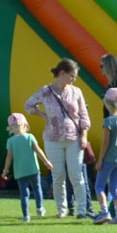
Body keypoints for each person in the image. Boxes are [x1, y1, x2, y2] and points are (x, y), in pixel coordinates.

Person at [25, 58, 91, 218]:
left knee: (76, 175)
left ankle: (82, 210)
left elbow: (84, 115)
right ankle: (61, 210)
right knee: (58, 175)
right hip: (52, 138)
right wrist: (42, 115)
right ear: (62, 73)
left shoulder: (76, 92)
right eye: (72, 76)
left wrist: (84, 135)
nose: (74, 80)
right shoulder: (45, 91)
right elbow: (29, 105)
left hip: (74, 138)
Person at [1, 113, 52, 222]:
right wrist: (46, 161)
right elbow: (38, 151)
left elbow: (8, 158)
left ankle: (26, 216)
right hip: (33, 169)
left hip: (20, 171)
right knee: (37, 188)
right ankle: (39, 208)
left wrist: (5, 171)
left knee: (24, 193)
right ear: (25, 125)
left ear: (10, 128)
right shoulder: (30, 137)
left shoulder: (10, 141)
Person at [93, 88, 117, 225]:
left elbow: (105, 142)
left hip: (108, 158)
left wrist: (100, 160)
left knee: (99, 186)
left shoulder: (108, 121)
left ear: (107, 103)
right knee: (115, 188)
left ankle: (104, 212)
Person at [99, 54, 117, 119]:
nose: (101, 69)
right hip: (110, 120)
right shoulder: (110, 84)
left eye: (101, 66)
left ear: (107, 66)